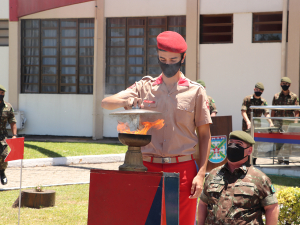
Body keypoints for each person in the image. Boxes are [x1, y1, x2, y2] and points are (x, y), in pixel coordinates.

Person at [101, 31, 212, 224]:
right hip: (146, 167)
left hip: (183, 168)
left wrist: (201, 174)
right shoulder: (145, 87)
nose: (168, 63)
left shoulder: (196, 91)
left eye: (173, 59)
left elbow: (205, 135)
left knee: (181, 221)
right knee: (146, 220)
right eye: (162, 59)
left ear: (183, 58)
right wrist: (125, 99)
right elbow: (106, 102)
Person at [197, 131, 279, 225]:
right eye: (230, 143)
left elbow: (272, 207)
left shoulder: (260, 179)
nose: (233, 146)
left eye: (238, 144)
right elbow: (203, 203)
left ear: (249, 150)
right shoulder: (213, 174)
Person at [241, 82, 274, 165]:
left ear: (262, 92)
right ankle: (246, 160)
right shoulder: (247, 99)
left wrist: (270, 122)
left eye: (260, 90)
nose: (257, 91)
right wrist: (248, 121)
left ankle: (253, 160)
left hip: (257, 126)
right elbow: (243, 111)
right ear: (254, 89)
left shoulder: (263, 101)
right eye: (256, 89)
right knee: (246, 143)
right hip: (247, 125)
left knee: (255, 144)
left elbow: (266, 113)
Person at [271, 77, 299, 165]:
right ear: (280, 84)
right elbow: (273, 110)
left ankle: (286, 159)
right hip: (278, 121)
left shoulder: (294, 96)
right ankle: (279, 159)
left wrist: (295, 121)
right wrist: (272, 122)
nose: (284, 85)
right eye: (283, 83)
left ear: (289, 85)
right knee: (278, 141)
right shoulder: (276, 96)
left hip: (289, 121)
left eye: (286, 84)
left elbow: (297, 110)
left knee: (288, 141)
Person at [0, 85, 17, 185]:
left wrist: (14, 135)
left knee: (4, 155)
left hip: (2, 135)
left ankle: (2, 173)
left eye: (2, 93)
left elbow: (13, 121)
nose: (0, 95)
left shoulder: (8, 107)